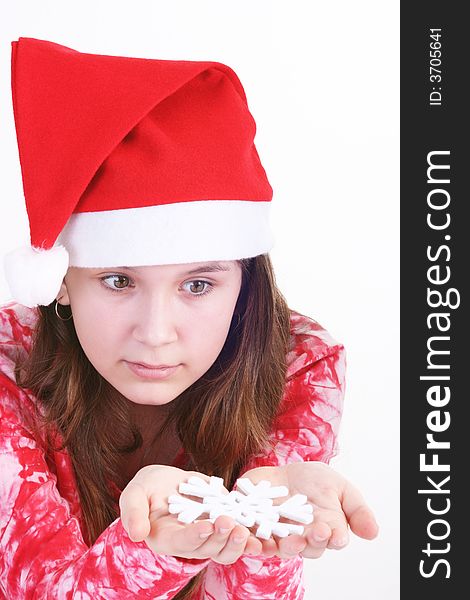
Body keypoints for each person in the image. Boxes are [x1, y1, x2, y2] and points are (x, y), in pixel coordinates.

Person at [0, 37, 378, 599]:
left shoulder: (300, 362)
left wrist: (261, 535)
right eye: (118, 280)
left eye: (198, 285)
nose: (155, 333)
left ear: (244, 284)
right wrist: (155, 546)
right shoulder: (11, 361)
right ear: (60, 282)